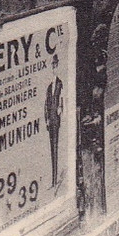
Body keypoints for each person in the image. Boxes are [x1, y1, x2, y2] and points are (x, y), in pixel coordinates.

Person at [44, 53, 64, 189]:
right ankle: (53, 180)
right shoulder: (49, 86)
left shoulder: (60, 84)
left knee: (56, 147)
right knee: (52, 148)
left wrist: (61, 109)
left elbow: (62, 99)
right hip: (50, 120)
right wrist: (46, 119)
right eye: (53, 65)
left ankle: (55, 179)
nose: (54, 68)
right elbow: (46, 104)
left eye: (56, 65)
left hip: (56, 119)